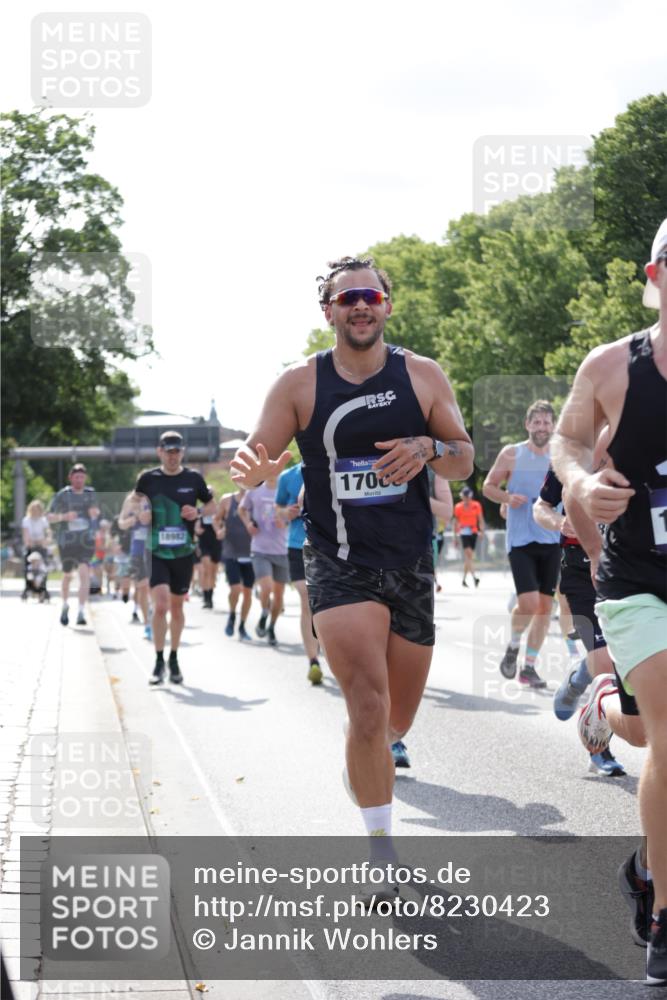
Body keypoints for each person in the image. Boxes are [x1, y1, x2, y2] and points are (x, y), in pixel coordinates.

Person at [231, 256, 473, 879]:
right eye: (346, 299)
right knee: (366, 706)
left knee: (395, 719)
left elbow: (464, 460)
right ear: (329, 312)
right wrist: (253, 468)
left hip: (410, 561)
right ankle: (381, 851)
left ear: (387, 305)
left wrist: (428, 448)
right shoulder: (299, 384)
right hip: (338, 562)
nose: (359, 306)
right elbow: (261, 450)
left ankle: (368, 759)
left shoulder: (421, 375)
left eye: (369, 295)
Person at [551, 217, 667, 983]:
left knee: (647, 730)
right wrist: (581, 484)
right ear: (656, 277)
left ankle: (641, 864)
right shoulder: (613, 366)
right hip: (635, 581)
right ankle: (663, 914)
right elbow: (564, 439)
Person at [533, 464, 627, 776]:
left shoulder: (634, 445)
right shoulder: (569, 454)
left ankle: (579, 675)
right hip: (580, 573)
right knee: (605, 664)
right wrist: (559, 522)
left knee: (627, 662)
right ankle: (599, 749)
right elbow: (541, 505)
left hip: (628, 572)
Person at [482, 401, 561, 688]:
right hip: (521, 540)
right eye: (536, 422)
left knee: (544, 608)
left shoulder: (560, 456)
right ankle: (514, 645)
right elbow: (488, 486)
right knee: (527, 603)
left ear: (553, 425)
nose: (542, 427)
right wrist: (506, 499)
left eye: (546, 422)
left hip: (552, 539)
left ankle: (528, 667)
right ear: (527, 425)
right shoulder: (512, 454)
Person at [135, 431, 215, 685]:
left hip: (183, 552)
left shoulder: (193, 478)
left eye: (176, 451)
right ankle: (158, 660)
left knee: (178, 608)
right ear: (159, 452)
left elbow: (212, 506)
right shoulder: (148, 479)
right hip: (156, 551)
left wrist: (198, 511)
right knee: (160, 605)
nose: (172, 456)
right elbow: (136, 504)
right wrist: (142, 514)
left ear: (182, 452)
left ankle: (173, 657)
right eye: (168, 451)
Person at [275, 460, 323, 684]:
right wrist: (287, 512)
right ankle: (313, 660)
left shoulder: (331, 464)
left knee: (323, 603)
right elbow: (278, 511)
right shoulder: (287, 476)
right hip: (297, 545)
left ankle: (322, 636)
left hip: (328, 546)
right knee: (306, 597)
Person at [47, 463, 100, 626]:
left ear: (85, 478)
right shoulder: (63, 494)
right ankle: (64, 605)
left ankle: (81, 611)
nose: (79, 480)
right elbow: (49, 516)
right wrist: (64, 517)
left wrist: (94, 514)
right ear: (71, 478)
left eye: (82, 477)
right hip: (67, 541)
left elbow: (96, 513)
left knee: (84, 573)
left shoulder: (91, 494)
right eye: (76, 477)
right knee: (68, 575)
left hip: (86, 540)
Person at [238, 477, 289, 646]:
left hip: (282, 550)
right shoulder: (255, 490)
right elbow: (242, 509)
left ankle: (272, 627)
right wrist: (248, 524)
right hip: (260, 549)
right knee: (266, 587)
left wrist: (286, 522)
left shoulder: (286, 490)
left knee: (279, 595)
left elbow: (296, 513)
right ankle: (264, 613)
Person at [218, 490, 254, 641]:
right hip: (231, 552)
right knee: (235, 588)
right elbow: (216, 519)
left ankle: (242, 626)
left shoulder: (256, 497)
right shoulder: (227, 499)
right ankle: (232, 614)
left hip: (251, 552)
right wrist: (219, 530)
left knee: (247, 592)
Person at [118, 489, 153, 641]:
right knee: (143, 586)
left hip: (155, 548)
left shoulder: (156, 497)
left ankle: (155, 615)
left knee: (155, 588)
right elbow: (121, 523)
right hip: (137, 549)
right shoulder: (130, 500)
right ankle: (148, 625)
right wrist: (131, 520)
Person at [453, 486, 485, 588]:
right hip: (463, 532)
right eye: (464, 496)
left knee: (468, 557)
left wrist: (482, 531)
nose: (465, 498)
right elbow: (456, 522)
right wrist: (455, 537)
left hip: (473, 532)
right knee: (469, 554)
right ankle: (474, 577)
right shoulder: (458, 507)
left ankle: (464, 579)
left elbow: (480, 519)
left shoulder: (476, 505)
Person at [195, 496, 222, 609]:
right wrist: (197, 530)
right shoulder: (200, 511)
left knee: (213, 572)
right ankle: (206, 598)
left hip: (216, 544)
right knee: (206, 569)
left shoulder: (218, 510)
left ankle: (210, 596)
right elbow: (195, 526)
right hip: (204, 544)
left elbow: (223, 524)